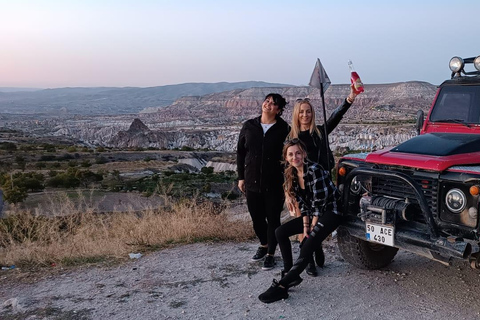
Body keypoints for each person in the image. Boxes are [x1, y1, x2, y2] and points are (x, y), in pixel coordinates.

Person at [285, 85, 360, 276]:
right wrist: (287, 193)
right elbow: (286, 166)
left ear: (312, 113)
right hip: (301, 187)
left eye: (308, 111)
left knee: (317, 225)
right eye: (301, 112)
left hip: (319, 187)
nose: (305, 115)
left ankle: (315, 247)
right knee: (304, 224)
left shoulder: (319, 132)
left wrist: (349, 98)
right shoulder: (291, 137)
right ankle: (308, 261)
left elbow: (336, 116)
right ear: (296, 114)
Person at [258, 139, 342, 303]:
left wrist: (311, 229)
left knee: (306, 244)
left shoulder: (314, 170)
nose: (295, 157)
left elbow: (319, 203)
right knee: (279, 232)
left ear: (304, 154)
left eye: (298, 153)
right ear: (287, 158)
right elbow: (304, 205)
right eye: (291, 154)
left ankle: (283, 285)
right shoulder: (291, 174)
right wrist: (305, 228)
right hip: (313, 213)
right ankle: (290, 272)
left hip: (332, 211)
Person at [237, 93, 290, 270]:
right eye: (267, 101)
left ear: (279, 110)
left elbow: (289, 154)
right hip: (251, 180)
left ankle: (270, 253)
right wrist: (241, 177)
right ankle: (264, 244)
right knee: (256, 218)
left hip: (274, 182)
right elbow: (240, 153)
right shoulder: (249, 125)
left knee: (273, 219)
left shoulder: (283, 129)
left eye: (273, 103)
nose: (268, 104)